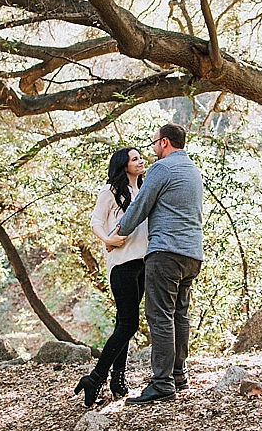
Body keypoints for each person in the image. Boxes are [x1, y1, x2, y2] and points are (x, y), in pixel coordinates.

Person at [114, 124, 203, 405]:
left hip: (166, 253)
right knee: (179, 314)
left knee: (160, 315)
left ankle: (162, 383)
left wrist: (118, 233)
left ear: (164, 142)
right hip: (192, 254)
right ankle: (179, 375)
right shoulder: (192, 169)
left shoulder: (161, 169)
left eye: (154, 143)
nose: (152, 149)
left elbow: (139, 205)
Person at [72, 148, 147, 407]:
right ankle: (95, 379)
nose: (140, 161)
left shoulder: (144, 190)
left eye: (140, 157)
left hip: (143, 264)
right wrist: (107, 239)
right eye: (134, 158)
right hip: (122, 264)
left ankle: (117, 380)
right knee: (129, 325)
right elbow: (96, 222)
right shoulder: (110, 191)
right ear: (123, 165)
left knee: (123, 324)